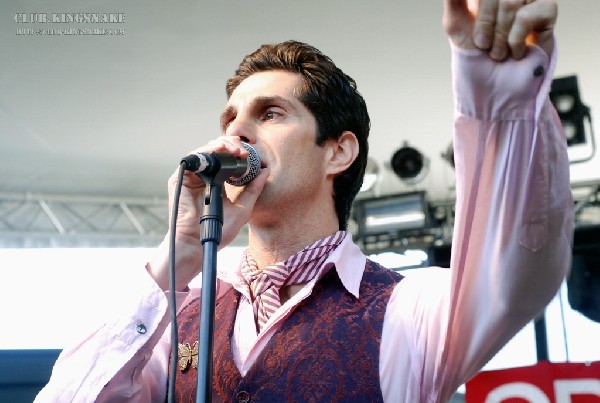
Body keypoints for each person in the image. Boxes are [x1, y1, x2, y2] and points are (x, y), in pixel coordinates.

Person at [36, 0, 573, 401]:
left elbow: (517, 269)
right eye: (230, 119)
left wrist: (500, 98)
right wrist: (178, 253)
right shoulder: (177, 316)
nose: (236, 131)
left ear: (338, 152)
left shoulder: (409, 311)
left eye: (270, 113)